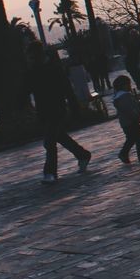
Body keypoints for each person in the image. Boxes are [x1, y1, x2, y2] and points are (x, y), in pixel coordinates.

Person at [25, 43, 91, 183]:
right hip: (44, 111)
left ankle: (50, 172)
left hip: (57, 109)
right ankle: (82, 154)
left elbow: (67, 89)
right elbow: (26, 90)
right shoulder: (32, 71)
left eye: (32, 56)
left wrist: (74, 107)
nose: (30, 58)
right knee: (60, 137)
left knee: (49, 142)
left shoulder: (54, 69)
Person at [112, 75, 140, 163]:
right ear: (124, 85)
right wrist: (135, 116)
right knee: (137, 138)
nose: (130, 86)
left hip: (126, 122)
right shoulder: (125, 96)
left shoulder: (118, 96)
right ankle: (139, 155)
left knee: (131, 138)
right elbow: (129, 109)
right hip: (131, 120)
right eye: (128, 84)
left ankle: (125, 154)